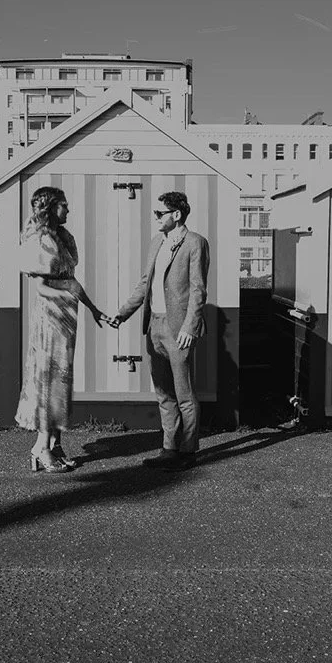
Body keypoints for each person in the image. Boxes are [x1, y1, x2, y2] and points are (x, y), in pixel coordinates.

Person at [109, 192, 210, 472]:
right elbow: (145, 284)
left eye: (160, 213)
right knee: (163, 392)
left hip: (179, 328)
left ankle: (188, 452)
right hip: (154, 325)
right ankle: (169, 449)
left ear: (176, 215)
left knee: (184, 394)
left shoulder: (195, 243)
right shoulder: (157, 243)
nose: (156, 218)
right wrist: (123, 313)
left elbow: (198, 289)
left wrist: (190, 326)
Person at [15, 186, 112, 473]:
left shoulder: (62, 238)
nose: (68, 210)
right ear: (50, 207)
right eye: (63, 205)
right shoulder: (42, 239)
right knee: (48, 380)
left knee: (62, 380)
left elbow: (70, 281)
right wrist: (68, 298)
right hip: (50, 319)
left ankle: (55, 445)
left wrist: (93, 309)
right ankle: (40, 448)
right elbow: (42, 287)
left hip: (66, 320)